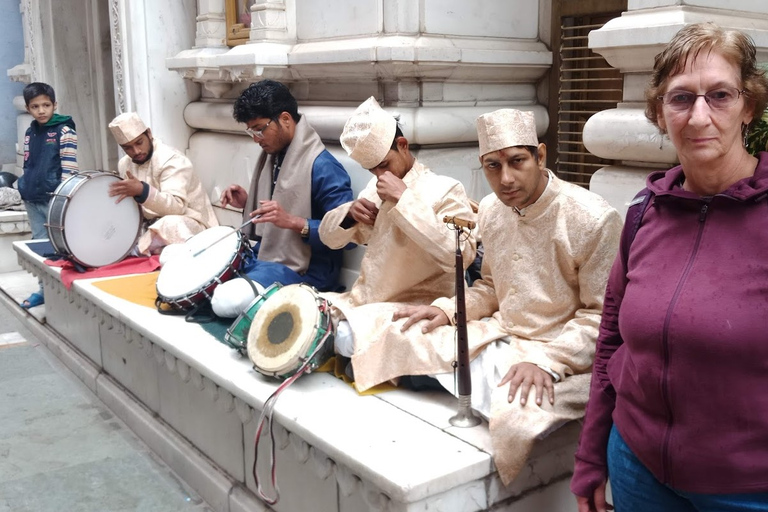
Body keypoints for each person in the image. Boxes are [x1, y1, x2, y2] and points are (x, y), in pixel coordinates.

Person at [346, 108, 622, 485]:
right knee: (400, 333)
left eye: (517, 161)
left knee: (517, 410)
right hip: (502, 335)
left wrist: (546, 360)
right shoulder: (492, 210)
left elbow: (602, 317)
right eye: (492, 166)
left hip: (561, 352)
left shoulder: (592, 217)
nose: (505, 178)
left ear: (540, 156)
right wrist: (447, 310)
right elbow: (491, 287)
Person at [571, 22, 768, 512]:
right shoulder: (643, 213)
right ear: (660, 113)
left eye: (719, 95)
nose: (700, 116)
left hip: (747, 489)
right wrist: (592, 454)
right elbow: (612, 340)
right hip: (637, 469)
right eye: (681, 98)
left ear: (749, 106)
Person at [318, 96, 477, 358]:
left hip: (414, 305)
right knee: (296, 309)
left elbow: (459, 255)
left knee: (344, 337)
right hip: (365, 301)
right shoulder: (375, 189)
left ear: (402, 145)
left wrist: (404, 199)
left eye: (384, 165)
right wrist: (349, 214)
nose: (380, 175)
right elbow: (329, 239)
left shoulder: (446, 188)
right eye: (372, 170)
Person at [211, 80, 354, 317]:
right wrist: (248, 202)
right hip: (265, 257)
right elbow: (281, 205)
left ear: (285, 119)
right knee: (192, 261)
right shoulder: (275, 155)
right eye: (251, 131)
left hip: (304, 271)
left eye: (260, 128)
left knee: (226, 300)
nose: (256, 138)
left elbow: (348, 235)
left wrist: (293, 222)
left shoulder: (324, 167)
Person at [107, 112, 218, 256]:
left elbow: (176, 208)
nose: (136, 151)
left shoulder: (172, 160)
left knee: (170, 224)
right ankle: (139, 248)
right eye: (128, 148)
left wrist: (142, 191)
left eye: (139, 142)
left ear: (149, 134)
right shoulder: (125, 164)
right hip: (149, 228)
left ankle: (135, 251)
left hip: (189, 223)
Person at [17, 82, 78, 308]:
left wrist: (63, 199)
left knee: (62, 247)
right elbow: (28, 163)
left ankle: (64, 292)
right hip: (32, 198)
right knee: (39, 245)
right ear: (28, 108)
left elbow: (70, 169)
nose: (41, 110)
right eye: (35, 106)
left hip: (55, 200)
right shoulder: (30, 131)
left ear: (55, 105)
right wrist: (23, 186)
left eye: (46, 105)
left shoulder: (64, 130)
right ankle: (44, 290)